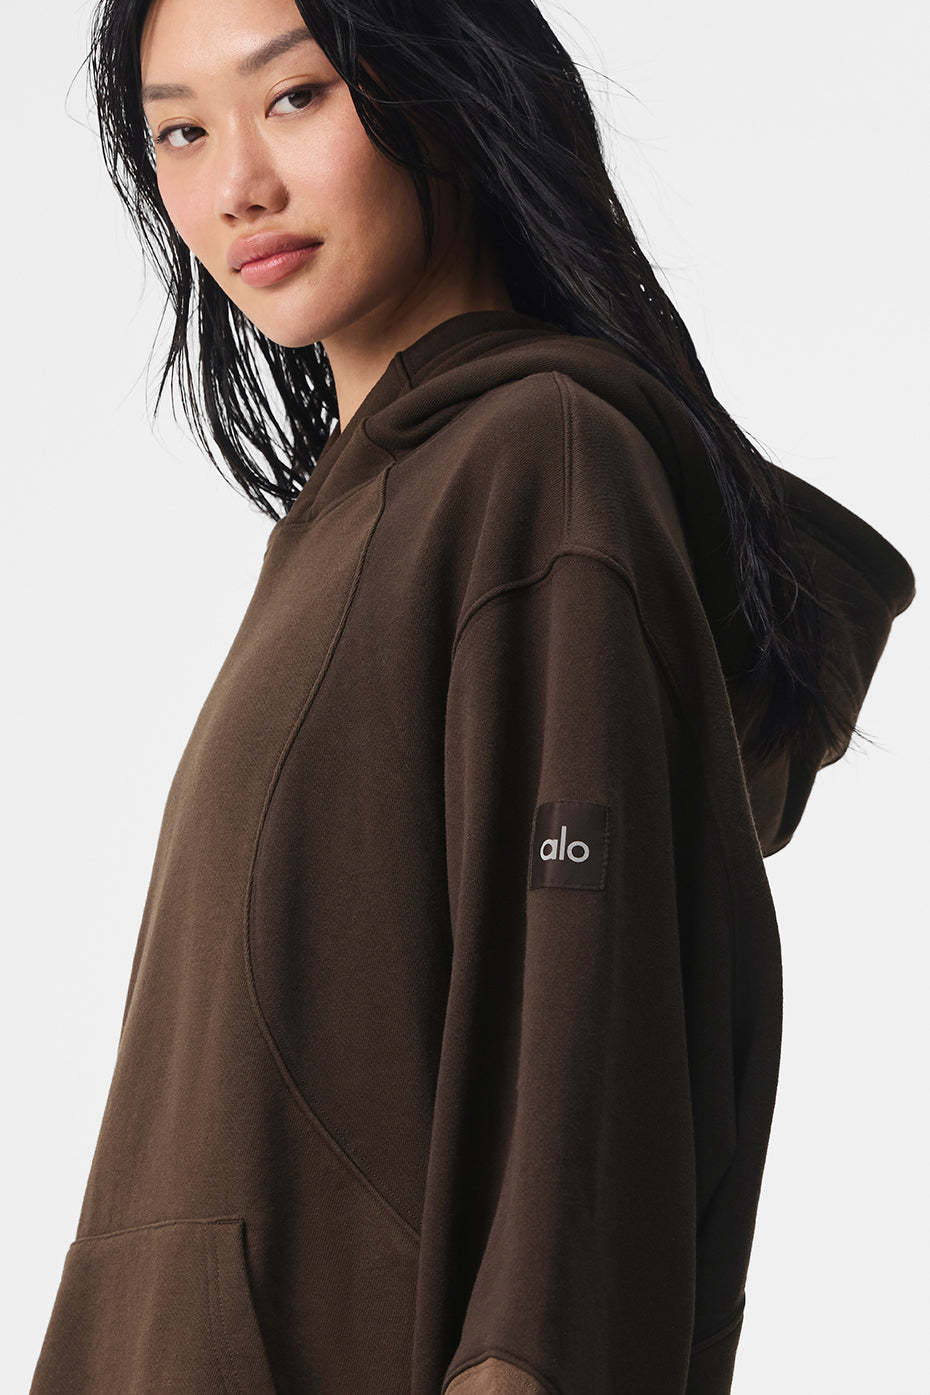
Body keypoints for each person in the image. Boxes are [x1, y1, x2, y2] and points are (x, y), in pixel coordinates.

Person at [30, 0, 916, 1392]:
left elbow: (583, 1060)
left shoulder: (535, 470)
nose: (237, 184)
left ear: (447, 85)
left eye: (298, 96)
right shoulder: (358, 520)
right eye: (181, 133)